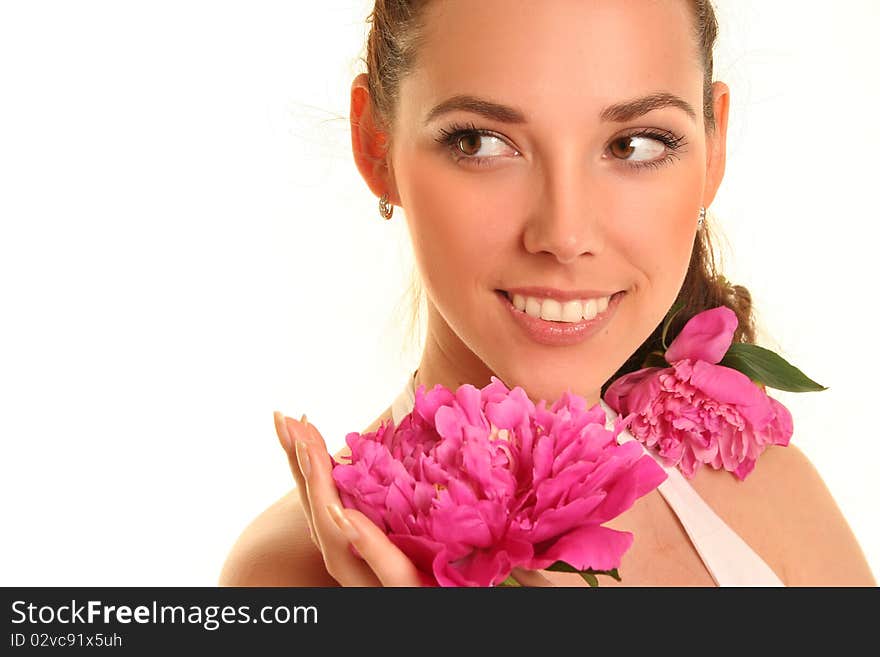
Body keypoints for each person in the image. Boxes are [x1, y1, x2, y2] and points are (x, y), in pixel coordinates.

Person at [218, 0, 876, 587]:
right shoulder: (294, 579)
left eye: (635, 143)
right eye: (481, 142)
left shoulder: (768, 494)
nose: (564, 234)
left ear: (714, 148)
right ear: (375, 145)